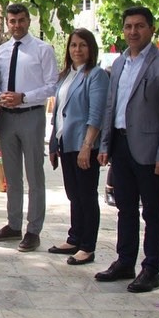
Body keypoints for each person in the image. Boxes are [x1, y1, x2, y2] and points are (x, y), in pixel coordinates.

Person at [95, 6, 159, 293]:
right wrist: (105, 144)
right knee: (125, 208)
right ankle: (125, 261)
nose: (133, 32)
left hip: (150, 150)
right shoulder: (120, 63)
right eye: (128, 26)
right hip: (120, 145)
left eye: (139, 26)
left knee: (153, 211)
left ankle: (151, 268)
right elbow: (111, 106)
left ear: (151, 29)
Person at [0, 3, 58, 252]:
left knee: (34, 175)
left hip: (31, 116)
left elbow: (52, 85)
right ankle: (13, 224)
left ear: (28, 21)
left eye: (21, 20)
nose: (16, 25)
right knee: (11, 174)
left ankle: (33, 230)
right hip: (6, 117)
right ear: (7, 23)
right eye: (12, 21)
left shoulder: (42, 49)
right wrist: (0, 96)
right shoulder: (1, 51)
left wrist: (24, 97)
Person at [47, 29, 108, 266]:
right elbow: (58, 113)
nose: (77, 49)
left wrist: (87, 145)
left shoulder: (96, 75)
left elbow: (96, 113)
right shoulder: (65, 75)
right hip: (66, 142)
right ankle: (74, 238)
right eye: (73, 45)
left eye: (83, 45)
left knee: (86, 195)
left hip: (84, 144)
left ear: (91, 48)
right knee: (73, 194)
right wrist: (54, 142)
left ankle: (87, 246)